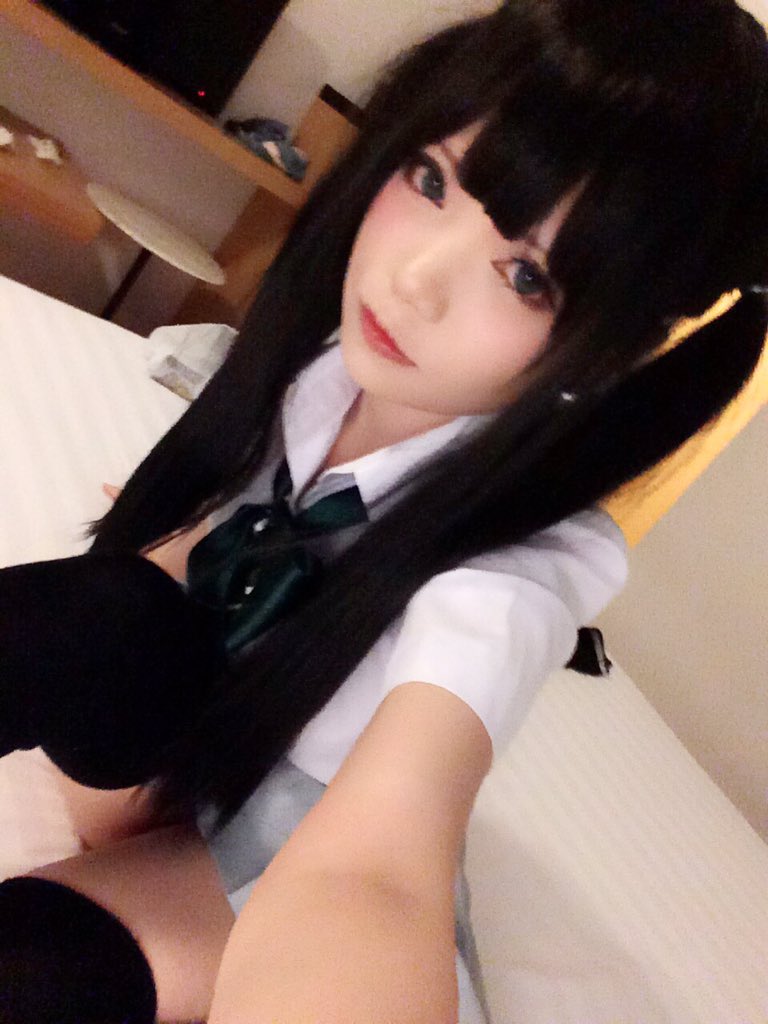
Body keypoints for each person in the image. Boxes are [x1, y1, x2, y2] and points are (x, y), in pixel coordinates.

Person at [1, 0, 767, 1020]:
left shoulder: (515, 570)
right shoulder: (322, 370)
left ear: (614, 352)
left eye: (526, 275)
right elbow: (205, 536)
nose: (414, 281)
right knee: (84, 614)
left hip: (267, 858)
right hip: (191, 744)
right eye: (432, 179)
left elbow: (375, 873)